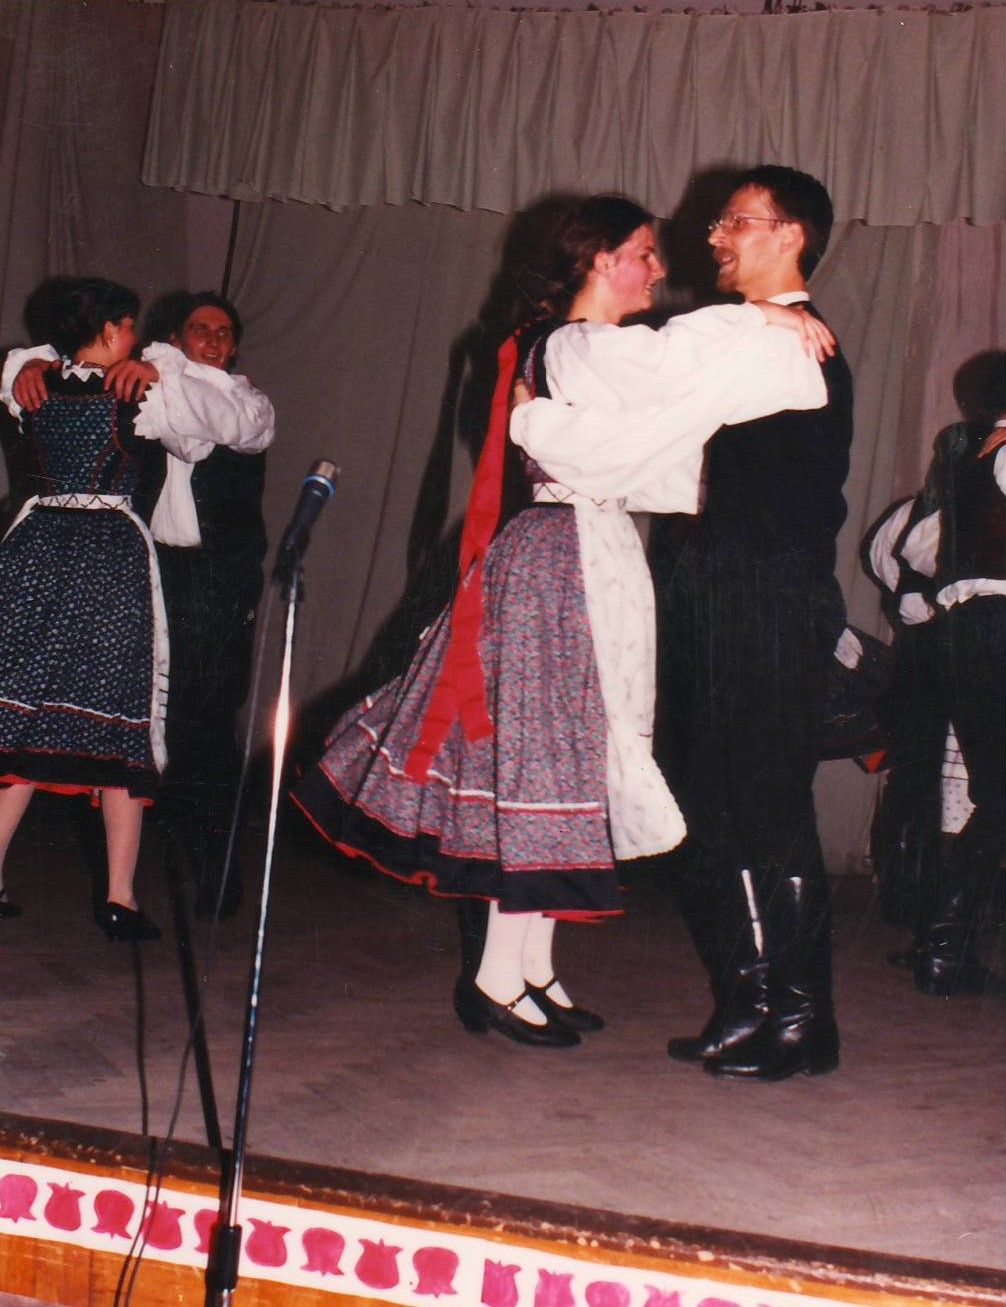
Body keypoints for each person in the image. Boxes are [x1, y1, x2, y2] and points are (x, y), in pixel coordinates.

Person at [293, 194, 834, 1048]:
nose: (659, 269)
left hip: (593, 546)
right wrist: (764, 317)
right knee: (543, 758)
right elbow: (663, 373)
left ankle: (532, 969)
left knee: (566, 758)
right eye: (644, 253)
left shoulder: (587, 352)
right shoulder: (574, 344)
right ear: (599, 260)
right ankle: (495, 978)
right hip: (558, 555)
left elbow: (659, 435)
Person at [642, 165, 854, 1081]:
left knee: (765, 798)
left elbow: (657, 359)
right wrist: (759, 315)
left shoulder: (789, 344)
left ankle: (803, 1015)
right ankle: (751, 1000)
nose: (714, 236)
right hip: (717, 586)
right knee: (706, 800)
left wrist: (764, 316)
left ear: (790, 235)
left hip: (767, 592)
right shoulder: (756, 331)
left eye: (736, 221)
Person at [5, 290, 275, 921]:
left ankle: (213, 873)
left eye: (224, 333)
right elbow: (34, 368)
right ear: (169, 337)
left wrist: (158, 371)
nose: (213, 341)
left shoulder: (241, 400)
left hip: (210, 584)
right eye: (199, 330)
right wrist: (33, 364)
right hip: (133, 570)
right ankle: (123, 892)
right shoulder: (138, 388)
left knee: (205, 726)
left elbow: (212, 427)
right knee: (125, 721)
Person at [892, 352, 1006, 998]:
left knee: (995, 790)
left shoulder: (968, 462)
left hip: (966, 630)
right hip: (998, 623)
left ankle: (943, 946)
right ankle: (944, 946)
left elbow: (914, 548)